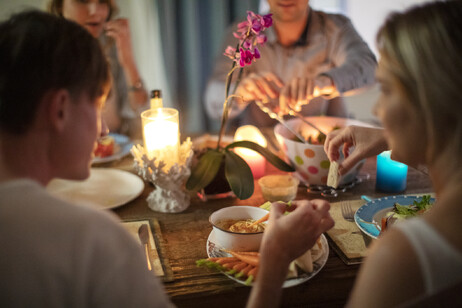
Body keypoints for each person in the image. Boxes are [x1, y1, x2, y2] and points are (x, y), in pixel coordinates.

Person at [0, 11, 334, 307]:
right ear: (59, 109)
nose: (102, 129)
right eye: (98, 105)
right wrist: (274, 259)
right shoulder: (91, 241)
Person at [323, 1, 462, 306]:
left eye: (385, 90)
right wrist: (390, 137)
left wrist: (272, 269)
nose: (376, 110)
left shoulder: (401, 257)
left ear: (430, 98)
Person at [204, 0, 377, 129]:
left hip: (322, 148)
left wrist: (322, 83)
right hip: (261, 146)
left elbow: (369, 68)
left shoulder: (336, 28)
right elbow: (212, 102)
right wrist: (240, 91)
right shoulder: (245, 33)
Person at [48, 0, 148, 139]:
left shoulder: (110, 44)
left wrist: (129, 63)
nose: (95, 10)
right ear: (59, 5)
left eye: (102, 1)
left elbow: (142, 123)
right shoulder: (45, 53)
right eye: (82, 1)